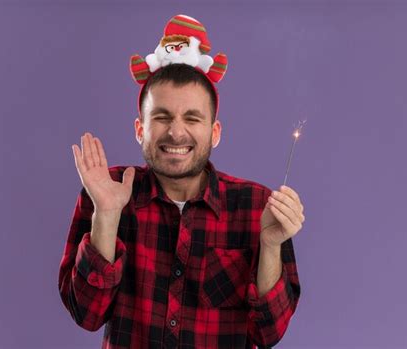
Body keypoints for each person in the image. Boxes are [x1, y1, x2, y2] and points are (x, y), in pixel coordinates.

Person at [58, 14, 304, 348]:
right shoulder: (107, 190)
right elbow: (86, 314)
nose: (176, 131)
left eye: (192, 118)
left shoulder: (257, 206)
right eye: (161, 117)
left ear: (214, 132)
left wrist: (271, 246)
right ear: (140, 129)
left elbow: (268, 333)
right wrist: (106, 216)